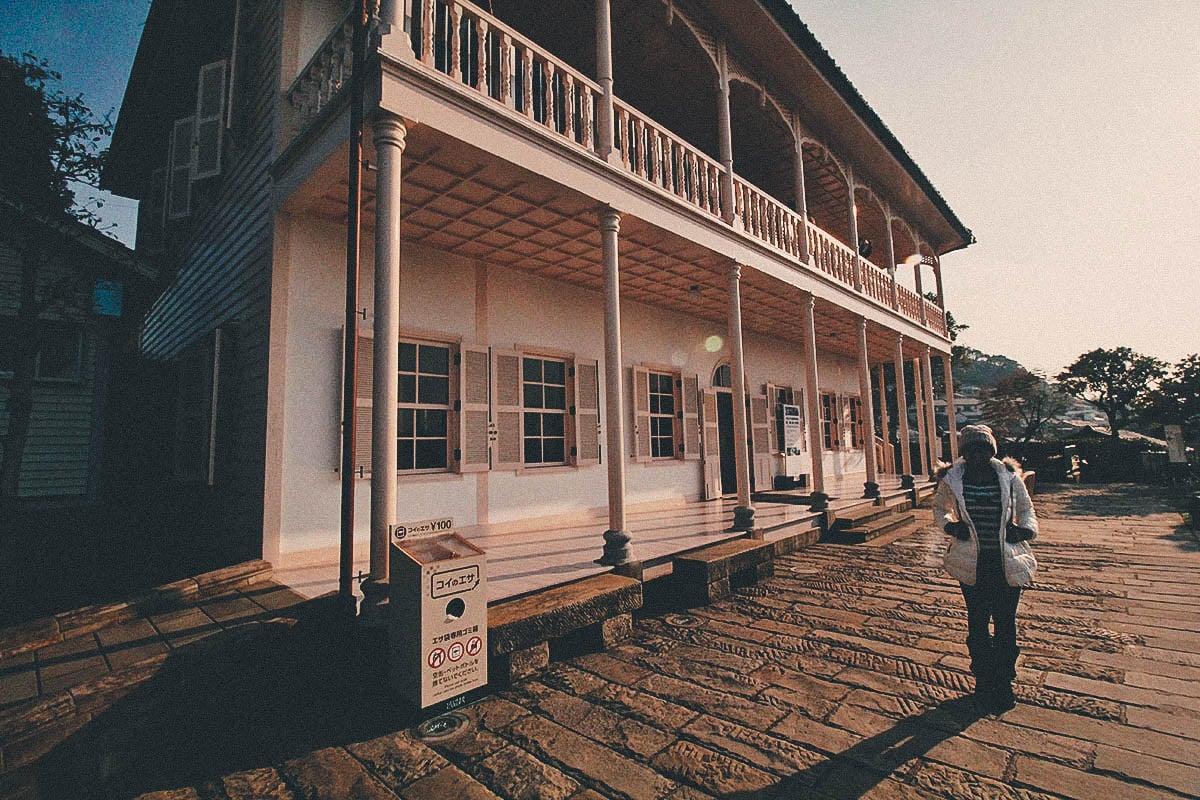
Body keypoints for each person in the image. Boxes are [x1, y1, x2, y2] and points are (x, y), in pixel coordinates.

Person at [933, 424, 1038, 713]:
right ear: (964, 453)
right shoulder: (954, 479)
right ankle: (982, 678)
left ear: (991, 450)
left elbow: (1027, 509)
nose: (978, 455)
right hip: (971, 562)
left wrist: (1025, 529)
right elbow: (939, 507)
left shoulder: (1007, 476)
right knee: (977, 623)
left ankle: (1004, 680)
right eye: (971, 450)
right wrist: (950, 525)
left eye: (983, 449)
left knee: (1006, 622)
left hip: (1006, 560)